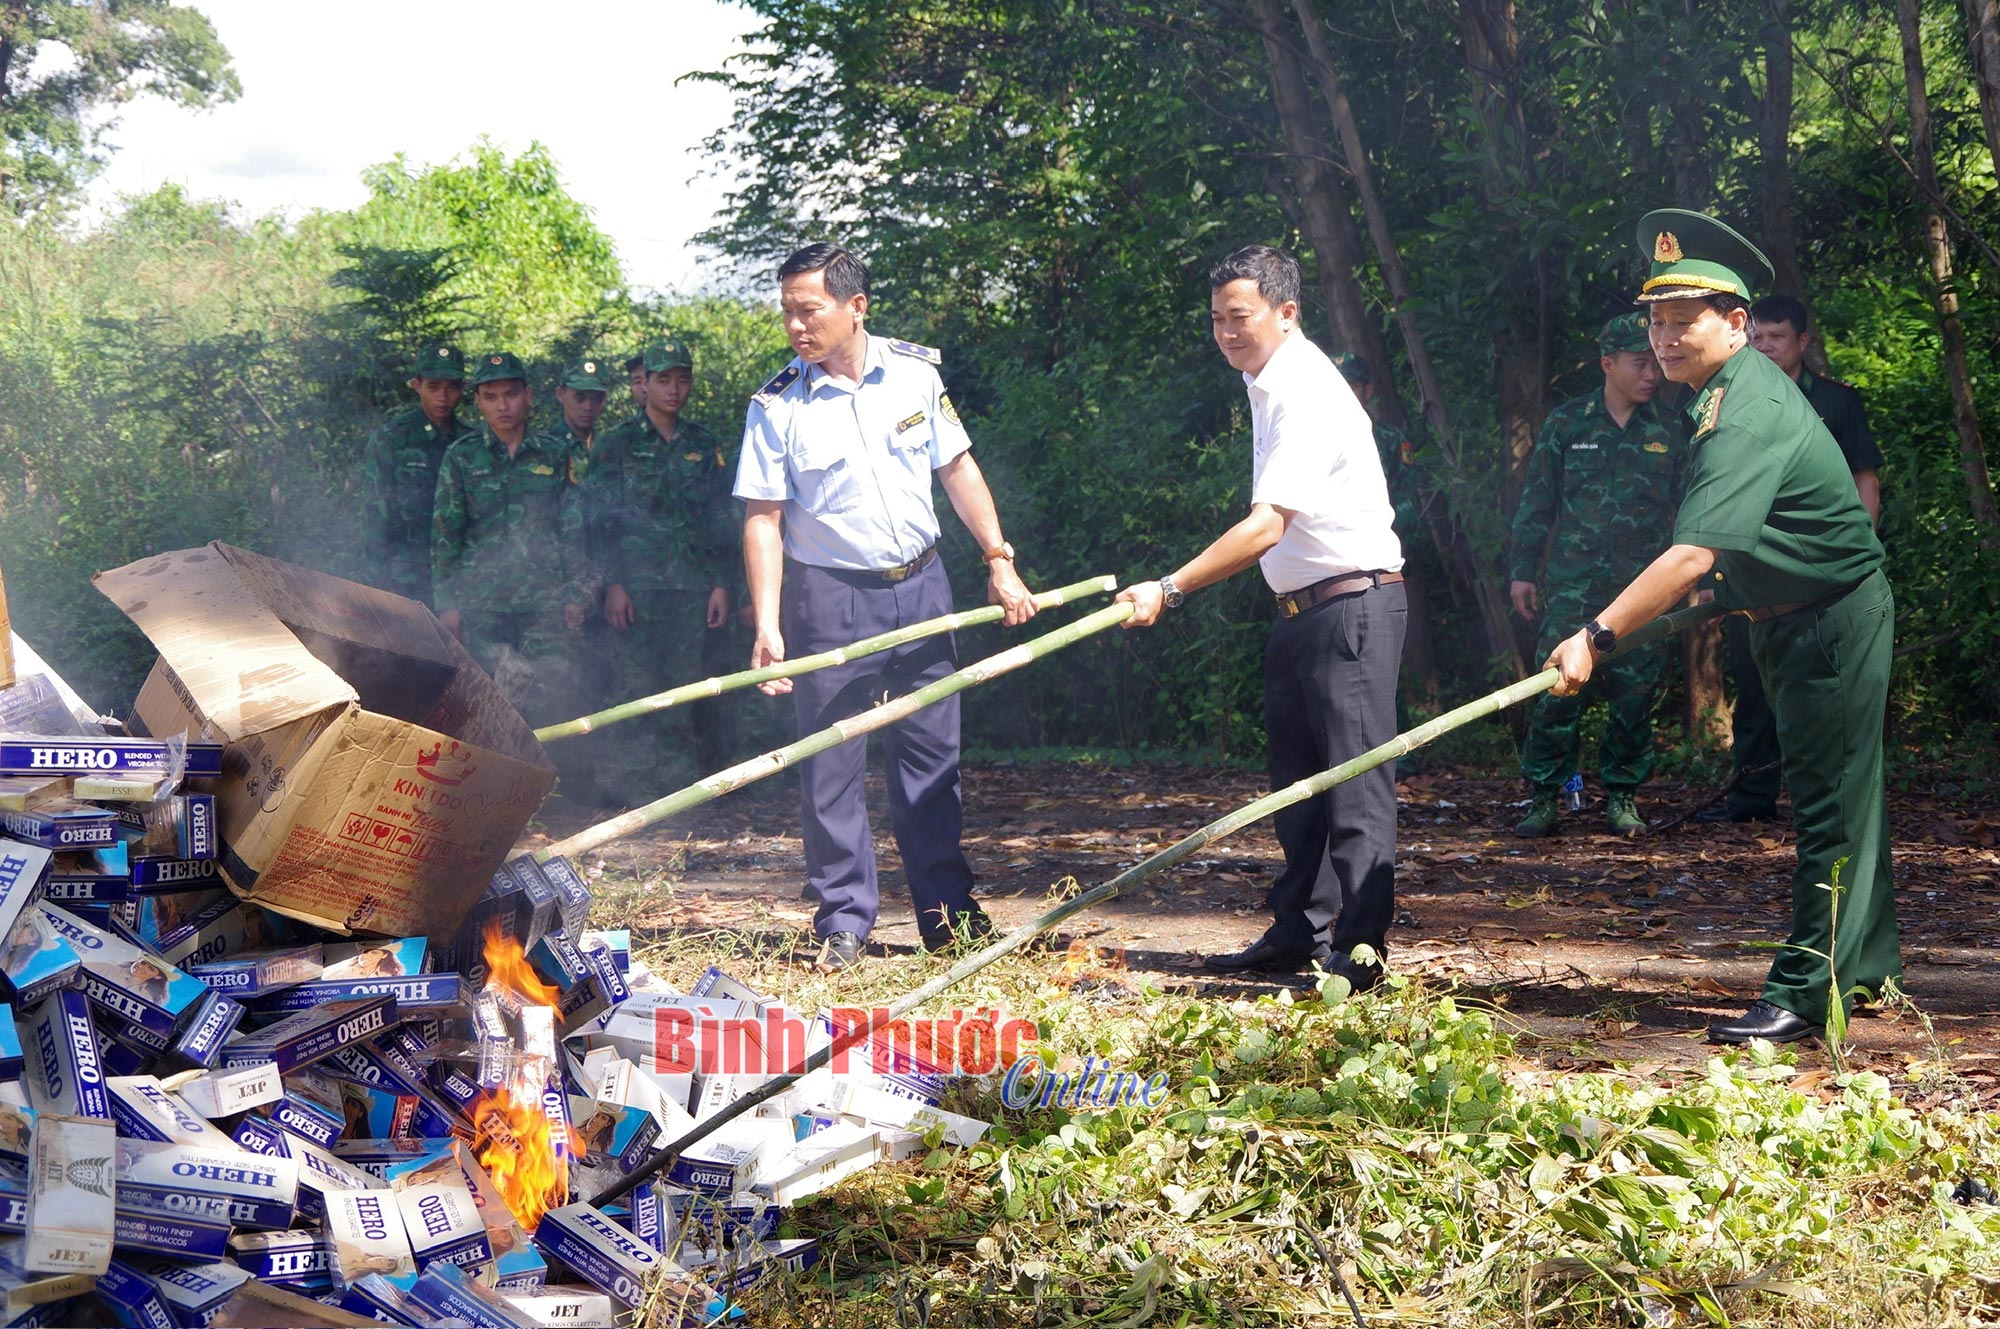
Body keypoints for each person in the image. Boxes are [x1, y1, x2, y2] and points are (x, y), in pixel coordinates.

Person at [1544, 209, 1897, 1044]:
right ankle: (1867, 968)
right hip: (1790, 613)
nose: (1663, 338)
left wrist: (1594, 636)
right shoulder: (1721, 394)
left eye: (1683, 320)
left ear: (1737, 323)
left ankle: (1808, 993)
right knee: (1850, 801)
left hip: (1828, 621)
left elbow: (1691, 553)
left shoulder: (1737, 409)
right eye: (1655, 322)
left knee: (1828, 810)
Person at [734, 242, 1037, 973]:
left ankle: (947, 915)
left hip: (923, 587)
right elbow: (763, 518)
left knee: (932, 756)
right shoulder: (777, 406)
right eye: (787, 313)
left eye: (809, 310)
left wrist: (1000, 560)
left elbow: (958, 468)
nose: (796, 326)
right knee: (832, 762)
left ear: (855, 305)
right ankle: (843, 918)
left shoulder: (913, 375)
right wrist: (769, 623)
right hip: (830, 599)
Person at [1117, 244, 1405, 987]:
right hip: (1301, 611)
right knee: (1299, 788)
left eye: (1239, 316)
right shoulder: (1266, 381)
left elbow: (1265, 526)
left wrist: (1169, 587)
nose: (1226, 331)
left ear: (1287, 311)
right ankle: (1298, 934)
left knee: (1355, 787)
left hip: (1352, 608)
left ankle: (1362, 955)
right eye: (1216, 318)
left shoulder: (1303, 388)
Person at [1698, 293, 1888, 823]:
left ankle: (1829, 813)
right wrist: (1714, 576)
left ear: (1803, 341)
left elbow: (1863, 482)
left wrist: (1851, 558)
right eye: (1757, 337)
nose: (1764, 346)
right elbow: (1715, 505)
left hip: (1825, 581)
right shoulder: (1729, 400)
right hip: (1756, 580)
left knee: (1833, 713)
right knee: (1755, 691)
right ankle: (1753, 797)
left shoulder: (1834, 401)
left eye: (1776, 337)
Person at [1507, 312, 1686, 837]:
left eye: (1656, 362)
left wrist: (1699, 579)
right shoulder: (1569, 422)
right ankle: (1544, 797)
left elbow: (1692, 510)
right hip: (1573, 588)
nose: (1652, 373)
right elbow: (1537, 501)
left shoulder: (1672, 427)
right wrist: (1522, 571)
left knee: (1634, 698)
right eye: (1639, 362)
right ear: (1608, 364)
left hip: (1644, 590)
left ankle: (1622, 797)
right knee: (1557, 694)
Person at [585, 342, 736, 790]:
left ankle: (676, 790)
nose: (674, 389)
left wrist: (722, 585)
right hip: (636, 590)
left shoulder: (703, 444)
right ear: (644, 383)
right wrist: (612, 585)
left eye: (682, 379)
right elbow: (599, 523)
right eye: (664, 380)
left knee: (685, 688)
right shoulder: (616, 444)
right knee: (633, 688)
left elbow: (719, 519)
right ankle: (631, 791)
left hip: (691, 590)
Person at [431, 352, 593, 732]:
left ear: (528, 396)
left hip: (544, 603)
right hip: (482, 604)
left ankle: (555, 786)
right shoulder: (462, 456)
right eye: (491, 396)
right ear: (478, 402)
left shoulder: (557, 453)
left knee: (553, 696)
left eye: (510, 394)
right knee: (485, 701)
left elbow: (572, 530)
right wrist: (448, 604)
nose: (502, 405)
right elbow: (445, 533)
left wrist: (575, 596)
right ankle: (494, 788)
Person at [360, 344, 469, 604]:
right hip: (404, 578)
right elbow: (375, 518)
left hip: (460, 579)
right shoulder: (391, 440)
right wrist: (380, 586)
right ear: (417, 385)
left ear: (462, 389)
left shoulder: (470, 443)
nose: (442, 397)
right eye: (433, 387)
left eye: (451, 387)